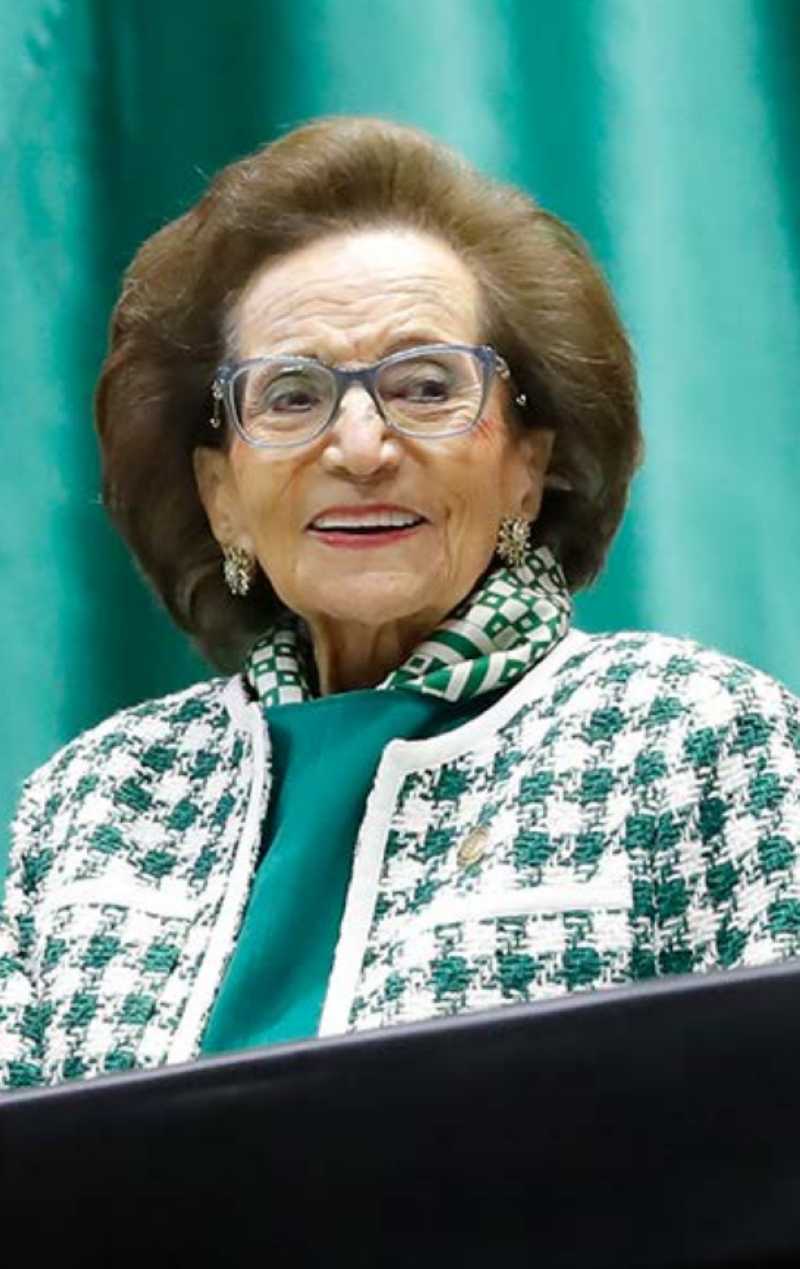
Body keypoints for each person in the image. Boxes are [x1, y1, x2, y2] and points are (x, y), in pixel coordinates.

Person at [2, 116, 799, 1092]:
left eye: (424, 388)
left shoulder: (693, 740)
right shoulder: (94, 806)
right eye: (289, 397)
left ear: (525, 465)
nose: (361, 447)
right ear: (219, 493)